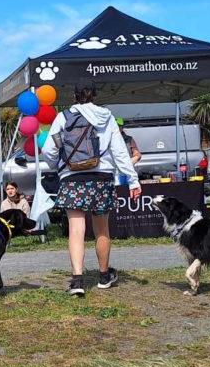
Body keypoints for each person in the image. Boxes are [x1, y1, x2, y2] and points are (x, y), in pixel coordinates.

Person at [41, 82, 140, 296]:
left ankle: (77, 281)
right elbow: (120, 153)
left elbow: (48, 149)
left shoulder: (64, 116)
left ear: (74, 96)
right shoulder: (107, 117)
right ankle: (104, 276)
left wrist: (57, 166)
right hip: (101, 178)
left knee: (76, 230)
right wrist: (133, 180)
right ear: (95, 95)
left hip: (72, 178)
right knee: (101, 229)